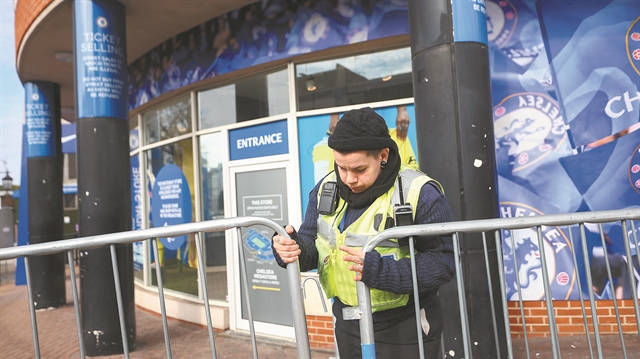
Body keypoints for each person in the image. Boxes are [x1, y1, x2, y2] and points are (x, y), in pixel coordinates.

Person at [272, 107, 454, 358]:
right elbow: (314, 244)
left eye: (359, 169)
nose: (348, 179)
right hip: (348, 324)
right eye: (341, 167)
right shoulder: (325, 189)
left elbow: (443, 261)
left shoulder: (420, 193)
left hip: (406, 326)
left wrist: (381, 272)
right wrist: (294, 248)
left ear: (383, 155)